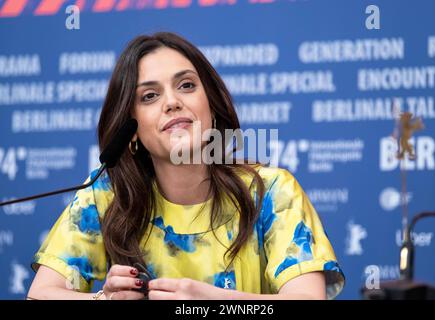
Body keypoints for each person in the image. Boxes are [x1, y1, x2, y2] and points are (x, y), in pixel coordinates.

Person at [27, 32, 345, 300]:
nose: (172, 102)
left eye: (187, 86)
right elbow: (40, 294)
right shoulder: (106, 194)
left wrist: (212, 302)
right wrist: (102, 299)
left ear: (212, 107)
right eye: (150, 96)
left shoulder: (270, 190)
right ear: (132, 131)